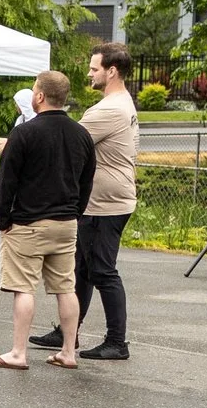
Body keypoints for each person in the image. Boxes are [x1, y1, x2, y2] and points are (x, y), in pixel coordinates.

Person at [31, 42, 137, 361]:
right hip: (105, 198)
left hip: (106, 202)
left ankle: (117, 341)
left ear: (111, 71)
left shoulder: (109, 109)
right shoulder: (121, 102)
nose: (89, 73)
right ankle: (68, 333)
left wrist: (18, 142)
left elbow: (64, 139)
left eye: (94, 69)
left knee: (102, 270)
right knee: (82, 269)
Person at [0, 69, 95, 371]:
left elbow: (7, 181)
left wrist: (4, 218)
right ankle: (68, 351)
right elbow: (87, 181)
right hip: (66, 222)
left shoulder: (24, 133)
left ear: (40, 96)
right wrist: (76, 212)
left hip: (28, 223)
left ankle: (18, 352)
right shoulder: (81, 134)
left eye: (34, 90)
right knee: (65, 288)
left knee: (24, 288)